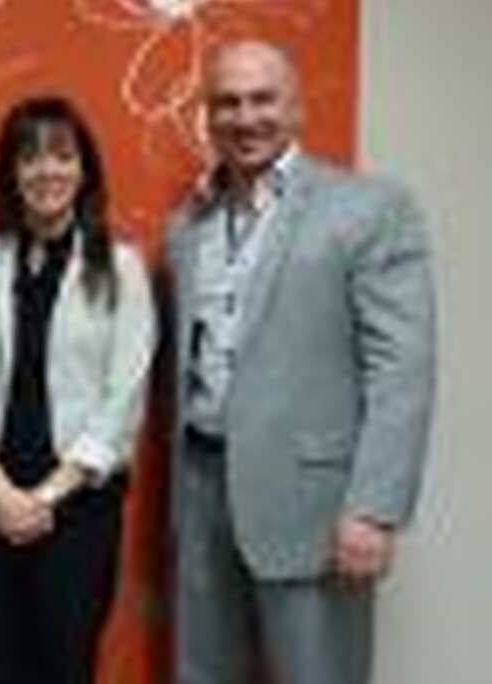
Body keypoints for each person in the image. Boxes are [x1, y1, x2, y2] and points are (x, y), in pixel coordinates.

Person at [165, 40, 436, 684]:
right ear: (208, 116)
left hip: (314, 505)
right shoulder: (189, 224)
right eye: (227, 103)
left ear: (297, 107)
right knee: (202, 672)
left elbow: (401, 368)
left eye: (263, 99)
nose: (245, 117)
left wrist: (373, 509)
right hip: (200, 487)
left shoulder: (370, 208)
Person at [0, 96, 157, 684]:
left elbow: (123, 400)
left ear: (84, 170)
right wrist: (0, 491)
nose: (47, 171)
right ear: (11, 172)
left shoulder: (122, 267)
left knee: (65, 665)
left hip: (79, 507)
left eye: (62, 155)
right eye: (30, 157)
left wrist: (44, 499)